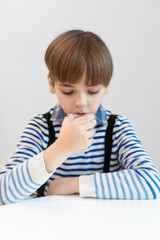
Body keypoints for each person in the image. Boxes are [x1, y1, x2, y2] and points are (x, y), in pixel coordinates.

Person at [0, 30, 159, 205]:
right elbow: (3, 192)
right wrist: (61, 148)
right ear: (51, 84)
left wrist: (75, 184)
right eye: (68, 91)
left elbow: (152, 182)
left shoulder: (116, 128)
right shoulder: (41, 128)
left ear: (106, 86)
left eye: (92, 91)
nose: (81, 102)